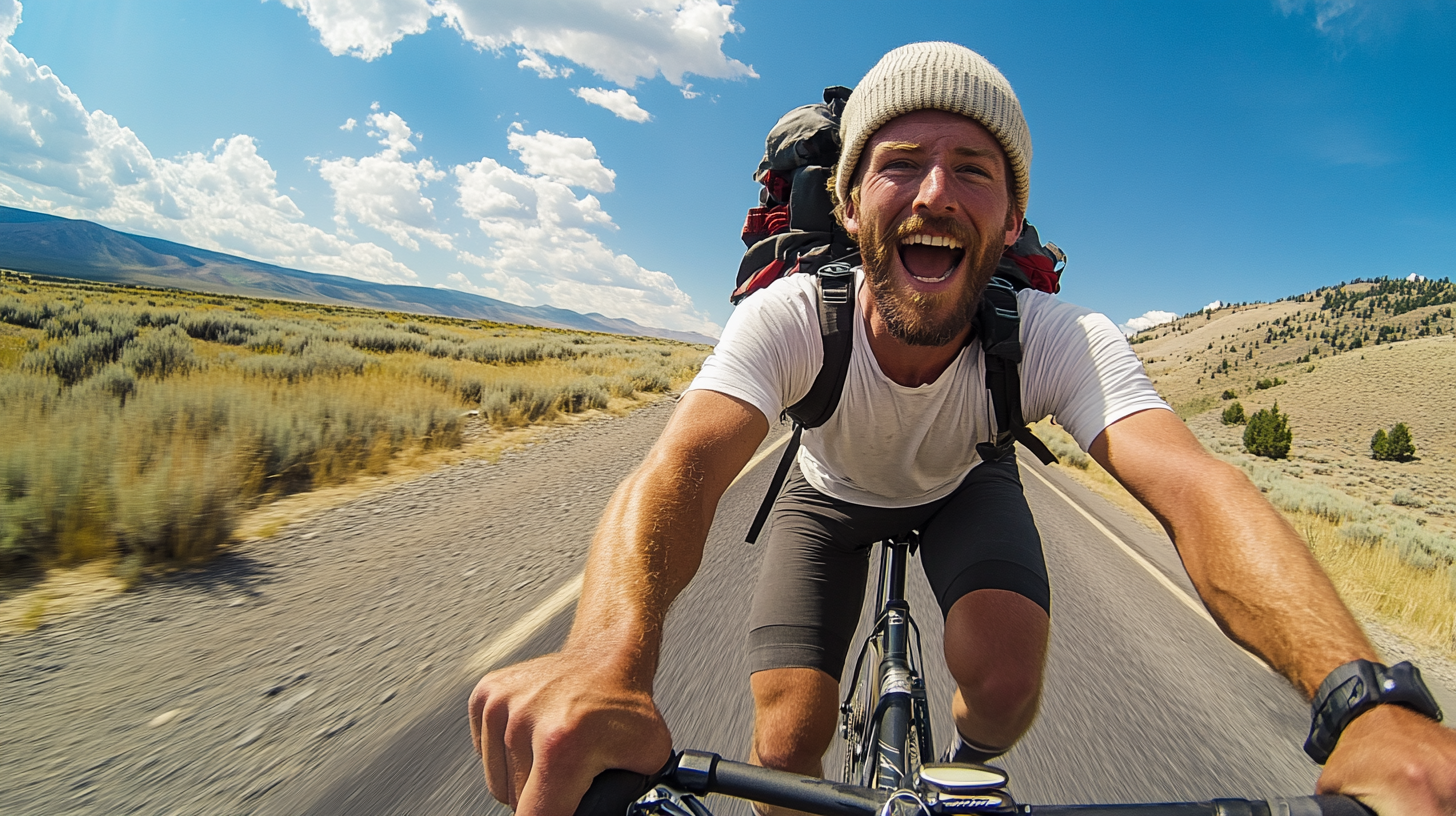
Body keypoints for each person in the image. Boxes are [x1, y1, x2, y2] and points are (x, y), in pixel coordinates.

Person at [469, 42, 1456, 816]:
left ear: (1011, 213)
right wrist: (608, 656)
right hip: (825, 496)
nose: (936, 192)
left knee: (1003, 682)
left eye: (973, 169)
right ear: (850, 206)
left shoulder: (1050, 336)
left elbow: (1195, 487)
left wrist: (1362, 702)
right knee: (781, 747)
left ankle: (961, 776)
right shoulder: (792, 318)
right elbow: (678, 468)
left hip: (963, 489)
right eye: (899, 164)